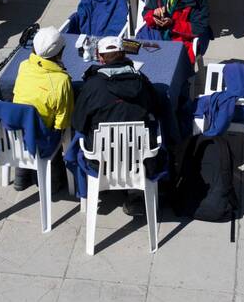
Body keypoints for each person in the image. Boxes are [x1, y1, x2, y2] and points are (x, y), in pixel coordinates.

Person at [72, 35, 164, 148]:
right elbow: (157, 109)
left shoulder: (92, 85)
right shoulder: (142, 81)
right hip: (141, 153)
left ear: (100, 58)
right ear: (124, 55)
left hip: (100, 158)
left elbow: (78, 122)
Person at [12, 27, 73, 192]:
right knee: (58, 136)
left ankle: (21, 177)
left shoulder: (23, 65)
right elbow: (63, 118)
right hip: (41, 136)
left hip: (16, 130)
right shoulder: (61, 80)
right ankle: (53, 183)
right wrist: (59, 131)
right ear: (60, 53)